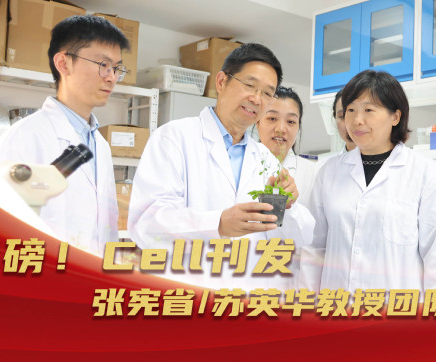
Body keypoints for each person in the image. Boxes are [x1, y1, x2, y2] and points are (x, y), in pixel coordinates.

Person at [128, 43, 313, 290]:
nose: (257, 99)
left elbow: (296, 239)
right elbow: (147, 225)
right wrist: (217, 223)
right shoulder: (174, 138)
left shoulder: (266, 160)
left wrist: (289, 207)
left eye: (267, 93)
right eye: (250, 85)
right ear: (221, 82)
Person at [300, 70, 436, 294]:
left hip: (397, 310)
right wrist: (306, 305)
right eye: (351, 110)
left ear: (395, 117)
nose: (357, 120)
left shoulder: (425, 173)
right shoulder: (329, 172)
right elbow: (314, 248)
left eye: (368, 110)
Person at [0, 15, 129, 256]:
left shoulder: (101, 145)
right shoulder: (25, 136)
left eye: (116, 68)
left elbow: (104, 227)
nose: (111, 77)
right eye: (103, 64)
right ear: (64, 63)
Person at [255, 86, 317, 208]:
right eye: (272, 118)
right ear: (258, 121)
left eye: (290, 121)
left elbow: (316, 219)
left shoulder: (312, 173)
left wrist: (290, 206)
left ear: (298, 127)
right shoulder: (241, 164)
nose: (281, 129)